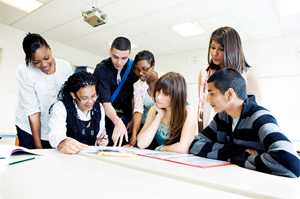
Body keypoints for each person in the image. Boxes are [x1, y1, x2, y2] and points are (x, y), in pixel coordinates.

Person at [190, 68, 300, 178]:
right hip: (231, 179)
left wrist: (240, 158)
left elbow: (292, 164)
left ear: (229, 94)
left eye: (212, 93)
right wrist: (237, 151)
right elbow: (195, 144)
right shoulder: (221, 117)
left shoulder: (260, 117)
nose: (208, 100)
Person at [15, 33, 73, 149]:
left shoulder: (65, 67)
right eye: (36, 62)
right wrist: (38, 147)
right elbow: (33, 111)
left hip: (55, 126)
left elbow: (69, 100)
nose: (44, 64)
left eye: (46, 58)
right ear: (28, 59)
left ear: (50, 49)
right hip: (29, 129)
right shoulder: (25, 70)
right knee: (32, 162)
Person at [198, 26, 260, 132]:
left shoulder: (248, 74)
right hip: (210, 129)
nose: (214, 53)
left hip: (236, 132)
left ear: (232, 50)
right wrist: (201, 133)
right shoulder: (205, 72)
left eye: (221, 49)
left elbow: (253, 111)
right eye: (213, 48)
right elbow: (202, 106)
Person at [48, 71, 108, 154]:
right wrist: (64, 142)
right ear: (73, 95)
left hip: (89, 157)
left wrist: (101, 141)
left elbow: (101, 133)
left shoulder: (99, 108)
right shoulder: (61, 107)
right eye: (84, 98)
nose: (90, 102)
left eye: (93, 96)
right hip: (66, 157)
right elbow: (55, 135)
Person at [93, 37, 138, 147]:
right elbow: (106, 102)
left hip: (128, 119)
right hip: (108, 117)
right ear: (110, 51)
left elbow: (136, 97)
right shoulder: (102, 69)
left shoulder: (134, 68)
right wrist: (117, 122)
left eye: (124, 58)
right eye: (115, 57)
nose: (119, 62)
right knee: (108, 148)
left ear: (130, 54)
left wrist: (133, 119)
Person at [136, 72, 196, 153]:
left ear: (177, 95)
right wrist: (159, 116)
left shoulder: (188, 110)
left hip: (179, 161)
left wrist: (161, 149)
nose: (159, 97)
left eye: (165, 94)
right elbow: (141, 143)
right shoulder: (154, 110)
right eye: (157, 91)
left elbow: (183, 148)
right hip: (160, 160)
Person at [129, 50, 165, 147]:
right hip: (145, 126)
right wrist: (134, 136)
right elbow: (138, 109)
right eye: (137, 69)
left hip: (163, 127)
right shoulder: (138, 85)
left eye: (145, 69)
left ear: (153, 65)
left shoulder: (165, 79)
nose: (141, 73)